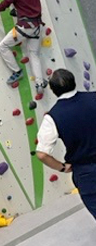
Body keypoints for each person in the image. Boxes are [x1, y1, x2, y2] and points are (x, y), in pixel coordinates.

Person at [36, 68, 96, 220]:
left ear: (53, 90)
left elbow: (42, 154)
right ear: (74, 81)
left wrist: (62, 167)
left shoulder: (53, 117)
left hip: (86, 172)